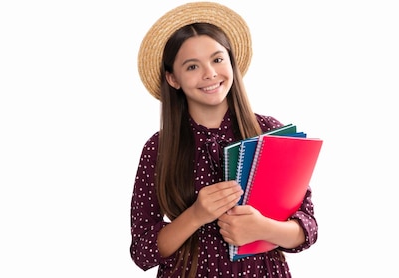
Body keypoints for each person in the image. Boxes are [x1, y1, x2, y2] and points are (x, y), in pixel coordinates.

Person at [129, 2, 318, 277]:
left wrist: (263, 229)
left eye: (217, 59)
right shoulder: (158, 148)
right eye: (192, 66)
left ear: (231, 62)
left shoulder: (268, 132)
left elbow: (308, 227)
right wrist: (195, 215)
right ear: (173, 79)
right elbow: (143, 251)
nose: (209, 73)